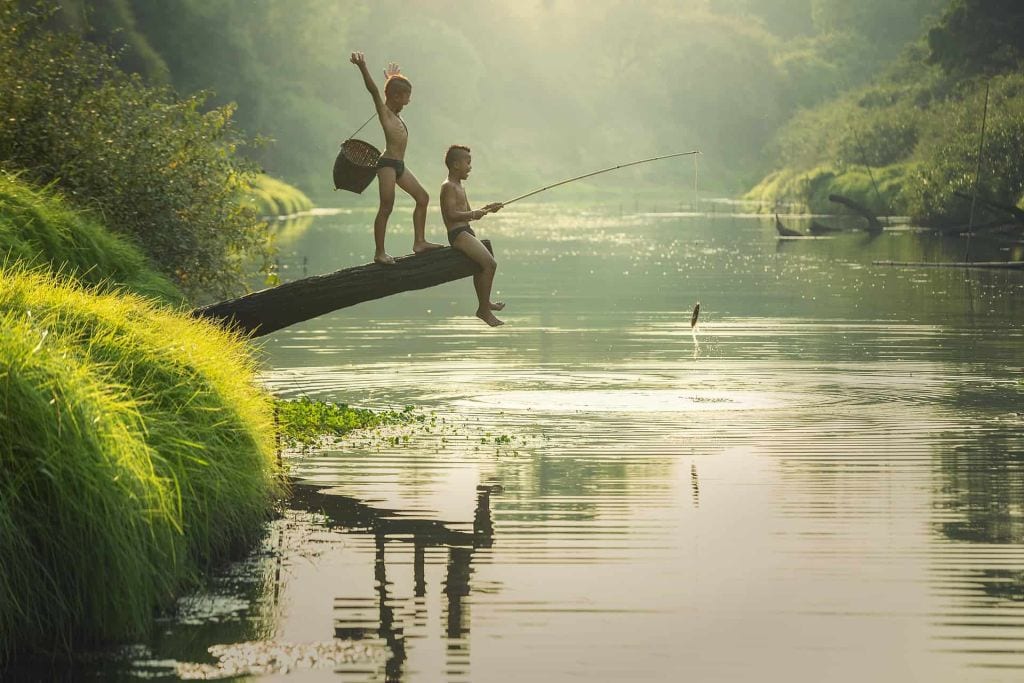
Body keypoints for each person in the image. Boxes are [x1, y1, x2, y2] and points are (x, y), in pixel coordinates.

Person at [350, 51, 441, 265]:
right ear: (397, 97)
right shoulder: (386, 113)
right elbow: (374, 91)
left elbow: (392, 94)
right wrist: (363, 66)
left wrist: (391, 80)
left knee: (423, 198)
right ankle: (379, 252)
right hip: (387, 165)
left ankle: (419, 242)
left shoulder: (397, 112)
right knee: (386, 206)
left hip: (400, 165)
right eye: (407, 96)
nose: (409, 100)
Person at [440, 144, 505, 326]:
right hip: (458, 234)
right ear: (455, 165)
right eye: (467, 162)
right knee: (490, 264)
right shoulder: (448, 187)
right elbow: (451, 215)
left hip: (466, 231)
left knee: (481, 266)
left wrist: (487, 209)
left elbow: (469, 212)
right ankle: (483, 310)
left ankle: (485, 303)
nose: (470, 167)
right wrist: (473, 214)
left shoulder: (460, 186)